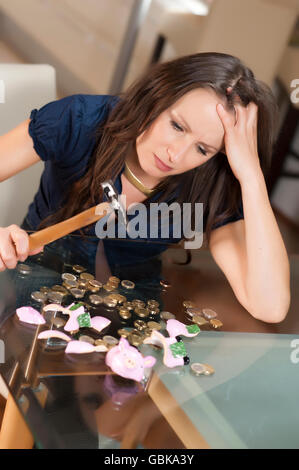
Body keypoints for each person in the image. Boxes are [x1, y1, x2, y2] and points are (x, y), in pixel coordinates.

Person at [0, 52, 290, 323]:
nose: (175, 155)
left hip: (133, 298)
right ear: (156, 97)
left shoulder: (213, 180)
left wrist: (251, 176)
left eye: (202, 148)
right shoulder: (80, 119)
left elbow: (270, 307)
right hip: (37, 267)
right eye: (177, 126)